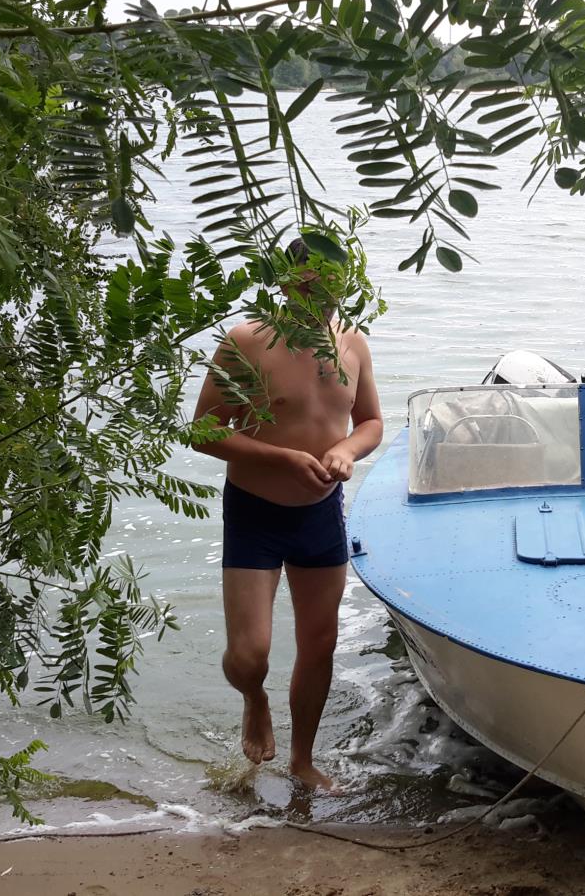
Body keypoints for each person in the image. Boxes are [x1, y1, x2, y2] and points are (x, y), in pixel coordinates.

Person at [190, 239, 382, 791]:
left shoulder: (352, 342)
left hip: (321, 513)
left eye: (331, 281)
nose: (321, 293)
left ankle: (302, 760)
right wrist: (284, 459)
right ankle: (254, 698)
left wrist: (346, 451)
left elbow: (371, 422)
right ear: (285, 281)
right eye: (309, 280)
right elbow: (203, 430)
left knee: (319, 645)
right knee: (250, 655)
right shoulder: (247, 341)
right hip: (255, 511)